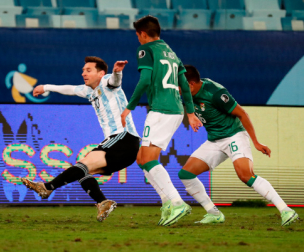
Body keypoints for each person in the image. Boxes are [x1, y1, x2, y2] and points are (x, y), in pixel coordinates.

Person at [21, 56, 140, 222]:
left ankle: (47, 187)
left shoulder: (106, 82)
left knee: (82, 165)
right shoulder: (89, 91)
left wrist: (117, 72)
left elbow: (115, 80)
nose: (83, 73)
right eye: (83, 70)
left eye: (88, 70)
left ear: (101, 73)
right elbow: (69, 89)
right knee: (82, 171)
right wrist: (46, 87)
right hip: (122, 148)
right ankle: (102, 202)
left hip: (123, 138)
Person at [177, 65, 299, 226]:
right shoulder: (187, 93)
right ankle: (214, 214)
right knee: (186, 174)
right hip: (214, 141)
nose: (178, 90)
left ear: (191, 84)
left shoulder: (215, 92)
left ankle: (286, 210)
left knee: (246, 176)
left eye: (179, 85)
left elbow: (242, 113)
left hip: (234, 135)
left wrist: (256, 142)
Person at [120, 15, 202, 226]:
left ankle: (176, 202)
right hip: (175, 110)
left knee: (148, 159)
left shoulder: (146, 50)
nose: (138, 38)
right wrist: (190, 113)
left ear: (143, 34)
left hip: (161, 110)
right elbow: (184, 85)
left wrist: (129, 106)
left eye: (137, 34)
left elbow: (145, 80)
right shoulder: (172, 53)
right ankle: (167, 202)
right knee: (142, 158)